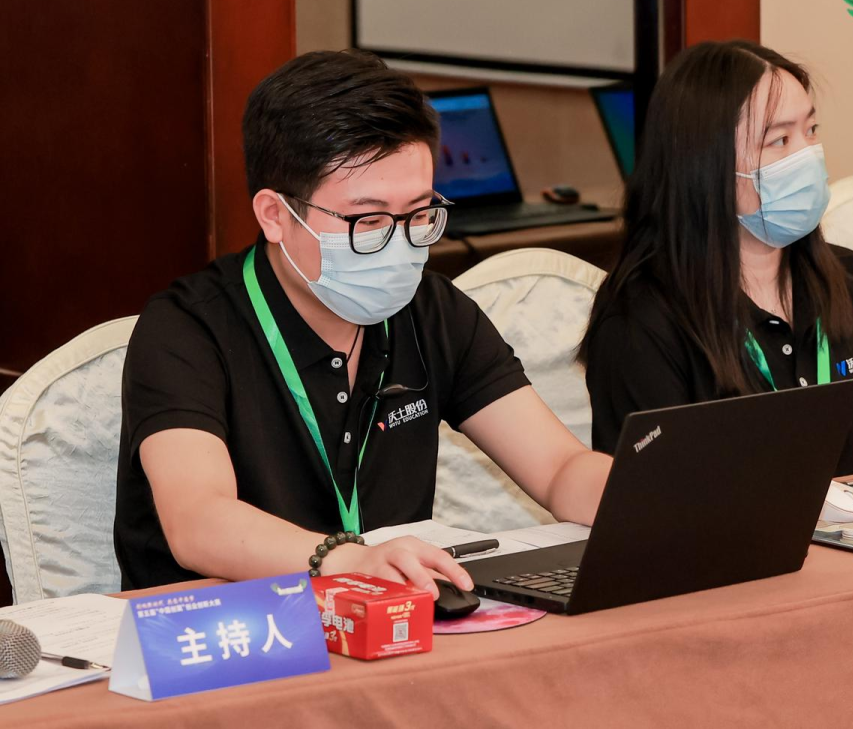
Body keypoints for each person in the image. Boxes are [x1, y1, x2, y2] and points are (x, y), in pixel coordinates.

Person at [115, 50, 612, 593]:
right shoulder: (187, 329)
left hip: (392, 617)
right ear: (276, 215)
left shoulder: (431, 311)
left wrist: (651, 496)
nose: (399, 242)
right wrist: (348, 560)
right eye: (368, 219)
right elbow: (198, 522)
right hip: (233, 626)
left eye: (418, 213)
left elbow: (559, 468)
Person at [580, 40, 853, 475]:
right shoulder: (641, 321)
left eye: (811, 131)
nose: (807, 156)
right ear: (706, 165)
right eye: (779, 140)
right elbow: (655, 506)